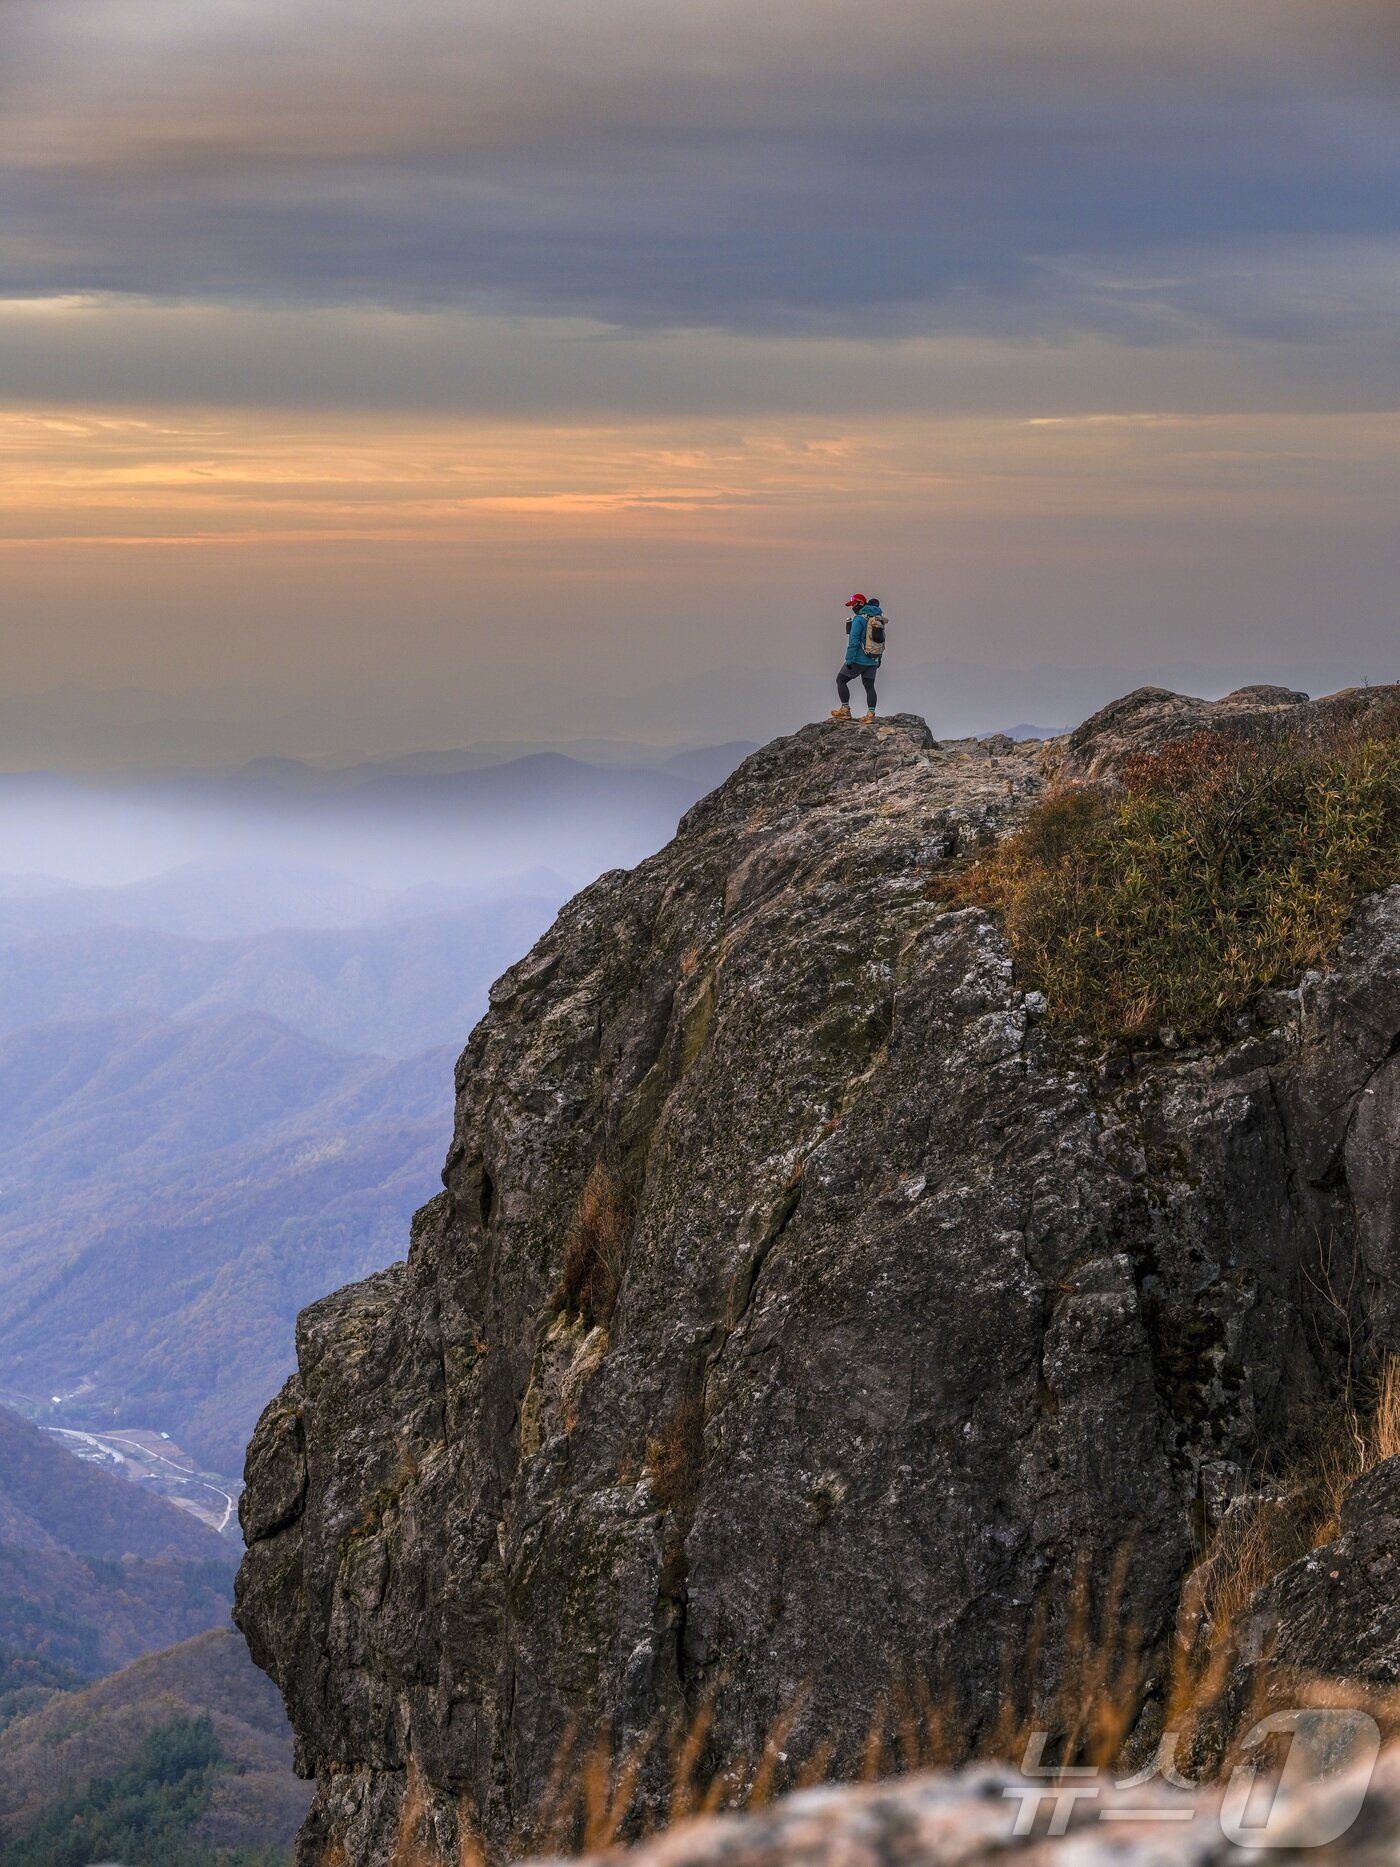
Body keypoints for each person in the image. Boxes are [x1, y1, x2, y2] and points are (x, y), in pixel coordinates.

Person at [831, 593, 886, 722]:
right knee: (869, 686)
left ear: (861, 603)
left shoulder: (859, 619)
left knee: (841, 680)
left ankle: (845, 710)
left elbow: (854, 640)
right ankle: (871, 715)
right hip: (873, 658)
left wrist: (849, 659)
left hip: (859, 658)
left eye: (853, 604)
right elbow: (881, 640)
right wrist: (879, 658)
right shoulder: (877, 618)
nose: (852, 607)